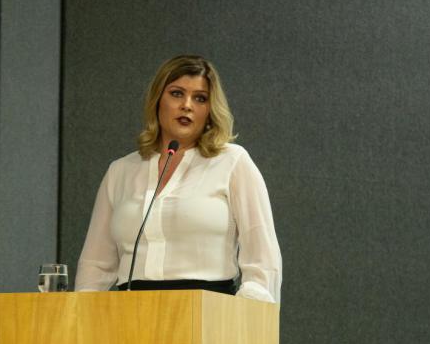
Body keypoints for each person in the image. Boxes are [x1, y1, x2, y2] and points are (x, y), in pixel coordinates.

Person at [75, 55, 282, 302]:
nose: (187, 105)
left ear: (210, 110)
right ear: (157, 100)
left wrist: (251, 315)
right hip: (131, 313)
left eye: (200, 98)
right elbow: (95, 265)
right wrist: (81, 313)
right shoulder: (121, 171)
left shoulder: (232, 162)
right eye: (176, 94)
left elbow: (262, 259)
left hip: (209, 312)